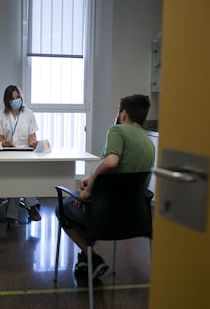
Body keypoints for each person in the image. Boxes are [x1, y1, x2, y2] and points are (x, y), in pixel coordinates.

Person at [56, 94, 155, 279]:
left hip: (106, 217)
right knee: (81, 207)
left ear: (123, 114)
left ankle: (92, 258)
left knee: (63, 208)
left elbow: (111, 162)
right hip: (135, 218)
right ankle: (84, 260)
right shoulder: (149, 143)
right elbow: (124, 175)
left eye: (118, 111)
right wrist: (93, 178)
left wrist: (89, 189)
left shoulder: (118, 131)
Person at [0, 84, 42, 230]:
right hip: (8, 153)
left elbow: (32, 138)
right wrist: (5, 142)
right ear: (7, 101)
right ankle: (31, 206)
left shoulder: (29, 114)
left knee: (21, 175)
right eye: (12, 98)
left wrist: (34, 143)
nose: (16, 101)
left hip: (26, 153)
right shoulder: (1, 115)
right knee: (15, 178)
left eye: (18, 97)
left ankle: (13, 216)